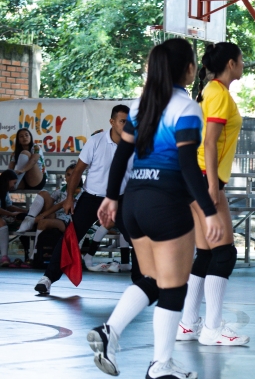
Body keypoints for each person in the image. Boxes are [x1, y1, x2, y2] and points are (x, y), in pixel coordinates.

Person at [87, 38, 223, 378]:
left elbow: (122, 155)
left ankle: (110, 332)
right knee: (174, 286)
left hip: (134, 202)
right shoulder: (187, 108)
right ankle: (160, 364)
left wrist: (110, 197)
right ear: (189, 69)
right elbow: (188, 166)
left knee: (152, 279)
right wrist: (208, 211)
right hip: (167, 203)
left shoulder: (139, 106)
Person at [177, 42, 249, 346]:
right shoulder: (218, 93)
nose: (244, 64)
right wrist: (210, 188)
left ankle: (187, 324)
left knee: (206, 253)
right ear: (231, 63)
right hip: (206, 178)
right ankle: (212, 329)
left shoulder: (211, 90)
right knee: (225, 252)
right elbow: (209, 142)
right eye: (242, 60)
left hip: (196, 177)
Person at [33, 105, 134, 295]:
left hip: (120, 200)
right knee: (70, 237)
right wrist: (69, 198)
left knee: (136, 237)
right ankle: (47, 278)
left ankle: (141, 282)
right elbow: (78, 171)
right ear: (112, 122)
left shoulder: (134, 144)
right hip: (92, 198)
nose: (127, 125)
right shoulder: (96, 141)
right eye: (123, 121)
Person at [0, 169, 25, 266]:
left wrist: (25, 211)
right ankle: (4, 256)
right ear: (7, 180)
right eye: (13, 183)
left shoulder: (4, 191)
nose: (14, 186)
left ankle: (4, 256)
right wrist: (11, 214)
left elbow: (9, 206)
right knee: (1, 222)